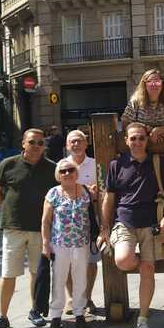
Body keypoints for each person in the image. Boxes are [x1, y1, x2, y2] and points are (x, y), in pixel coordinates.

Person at [100, 122, 164, 328]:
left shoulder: (156, 162)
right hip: (124, 221)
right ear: (126, 140)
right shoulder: (116, 164)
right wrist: (104, 228)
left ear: (147, 140)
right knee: (123, 260)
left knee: (148, 269)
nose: (137, 142)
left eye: (141, 138)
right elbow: (109, 198)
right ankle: (140, 261)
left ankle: (142, 319)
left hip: (151, 224)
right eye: (133, 138)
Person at [0, 129, 57, 328]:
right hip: (13, 227)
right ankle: (2, 317)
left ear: (44, 146)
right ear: (23, 144)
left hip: (40, 229)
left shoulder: (52, 168)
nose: (36, 146)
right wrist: (9, 209)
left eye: (40, 143)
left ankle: (35, 310)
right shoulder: (7, 164)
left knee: (37, 272)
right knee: (9, 273)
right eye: (32, 142)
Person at [41, 159, 92, 328]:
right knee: (58, 279)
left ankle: (79, 313)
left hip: (81, 243)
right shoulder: (53, 193)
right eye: (63, 171)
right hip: (59, 244)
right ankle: (56, 315)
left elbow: (96, 210)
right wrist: (45, 243)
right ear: (58, 175)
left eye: (70, 170)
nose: (67, 173)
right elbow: (46, 221)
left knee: (80, 279)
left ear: (76, 172)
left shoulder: (85, 191)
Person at [122, 69, 164, 181]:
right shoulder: (136, 101)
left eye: (157, 81)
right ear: (144, 84)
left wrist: (159, 130)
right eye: (150, 81)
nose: (154, 84)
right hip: (143, 153)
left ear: (162, 84)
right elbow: (125, 123)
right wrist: (146, 129)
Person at [62, 130, 99, 315]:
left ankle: (87, 297)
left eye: (79, 141)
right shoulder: (62, 165)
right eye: (72, 141)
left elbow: (104, 189)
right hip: (68, 221)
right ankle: (71, 299)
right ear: (67, 145)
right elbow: (57, 191)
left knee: (90, 261)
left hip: (90, 219)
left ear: (86, 144)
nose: (76, 144)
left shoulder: (95, 164)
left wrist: (96, 193)